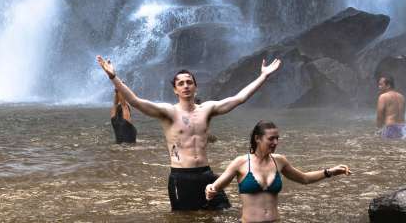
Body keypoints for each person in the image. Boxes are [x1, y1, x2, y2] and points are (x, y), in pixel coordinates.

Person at [95, 55, 281, 210]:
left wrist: (263, 76)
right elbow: (135, 101)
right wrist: (113, 77)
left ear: (195, 87)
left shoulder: (207, 109)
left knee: (223, 212)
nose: (185, 86)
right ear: (175, 90)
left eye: (189, 82)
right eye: (181, 83)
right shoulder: (168, 112)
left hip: (206, 175)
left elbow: (239, 98)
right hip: (181, 177)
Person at [205, 121, 351, 222]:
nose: (275, 142)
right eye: (271, 139)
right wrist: (210, 188)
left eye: (277, 138)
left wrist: (330, 172)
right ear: (257, 138)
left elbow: (304, 178)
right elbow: (217, 186)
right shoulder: (241, 162)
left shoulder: (279, 161)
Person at [375, 75, 406, 139]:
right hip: (404, 129)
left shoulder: (383, 97)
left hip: (391, 128)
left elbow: (379, 116)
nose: (379, 87)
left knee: (387, 147)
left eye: (381, 85)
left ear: (388, 85)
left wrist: (378, 130)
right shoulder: (401, 96)